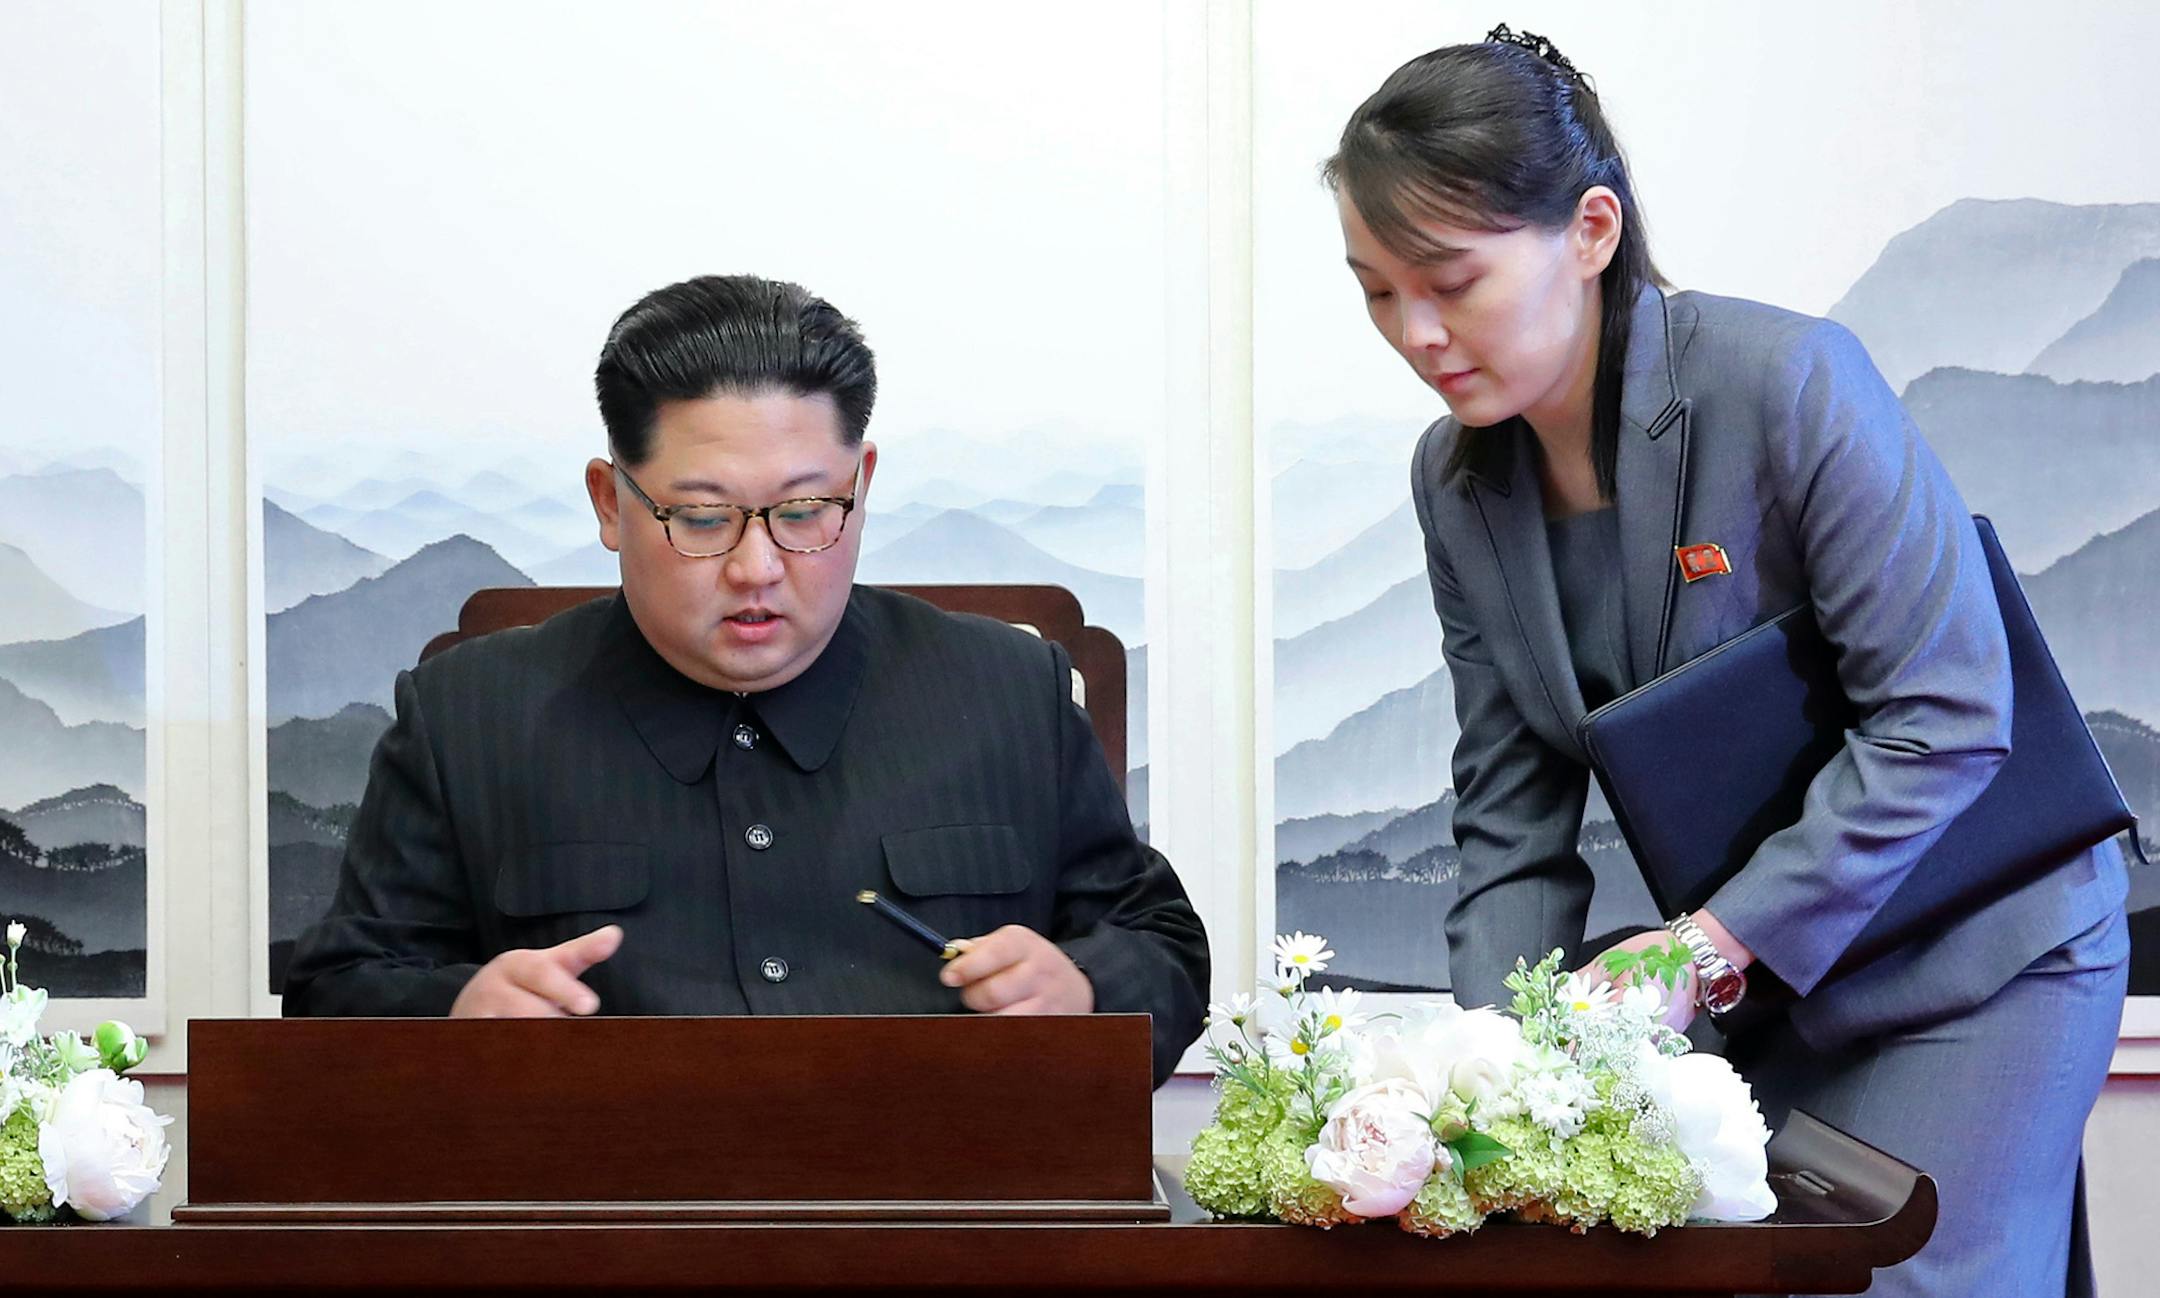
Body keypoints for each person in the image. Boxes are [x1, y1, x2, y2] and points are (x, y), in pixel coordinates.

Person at [1325, 26, 2128, 1295]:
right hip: (1776, 991)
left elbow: (1947, 712)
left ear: (1592, 231)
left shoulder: (1793, 381)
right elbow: (1510, 812)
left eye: (1451, 280)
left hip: (1979, 963)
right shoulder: (1456, 482)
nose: (1415, 331)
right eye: (1377, 292)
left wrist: (1707, 944)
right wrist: (1499, 1070)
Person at [282, 274, 1208, 1086]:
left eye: (805, 511)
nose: (757, 567)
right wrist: (456, 1013)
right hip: (600, 1216)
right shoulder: (470, 716)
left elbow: (1159, 942)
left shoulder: (1006, 691)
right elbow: (338, 990)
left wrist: (1084, 990)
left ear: (861, 484)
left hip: (940, 1212)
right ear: (611, 502)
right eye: (702, 518)